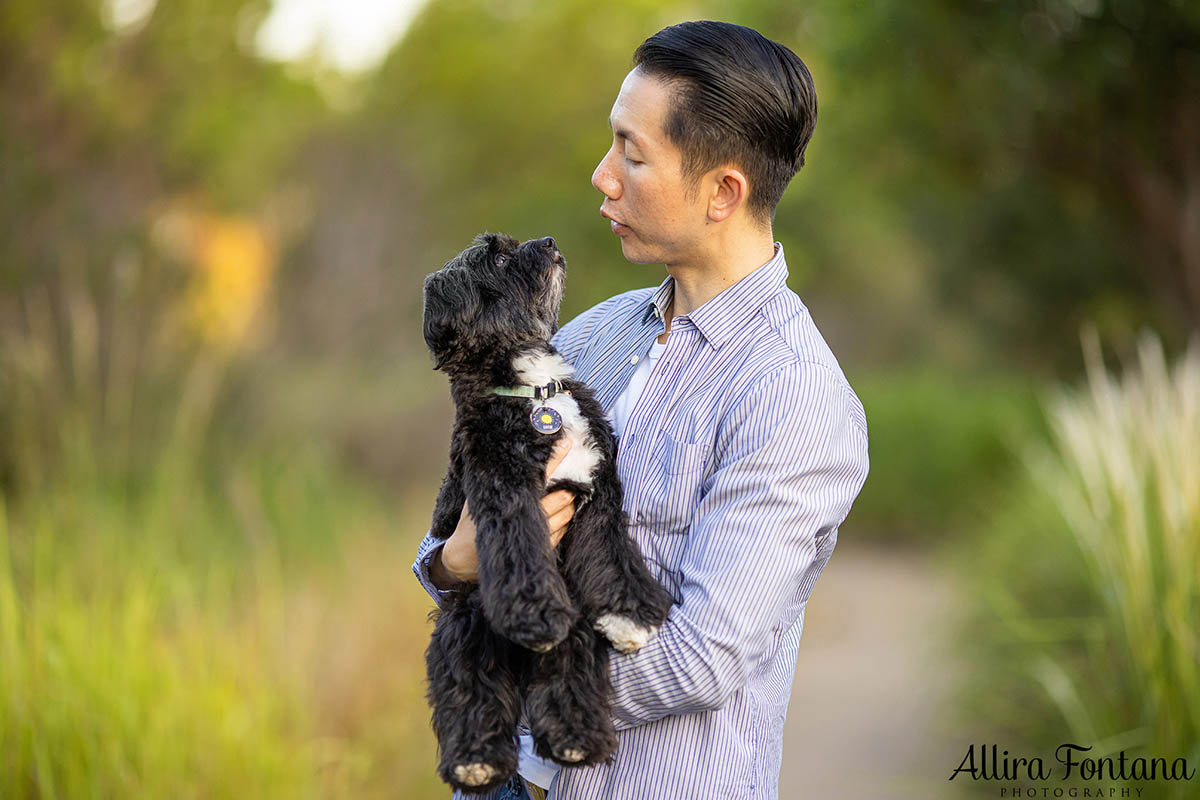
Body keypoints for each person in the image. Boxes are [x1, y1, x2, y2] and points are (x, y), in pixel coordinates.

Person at [412, 20, 870, 800]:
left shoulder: (792, 395)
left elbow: (699, 656)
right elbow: (463, 529)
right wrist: (454, 564)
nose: (602, 176)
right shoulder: (593, 333)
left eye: (632, 151)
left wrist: (495, 685)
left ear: (724, 191)